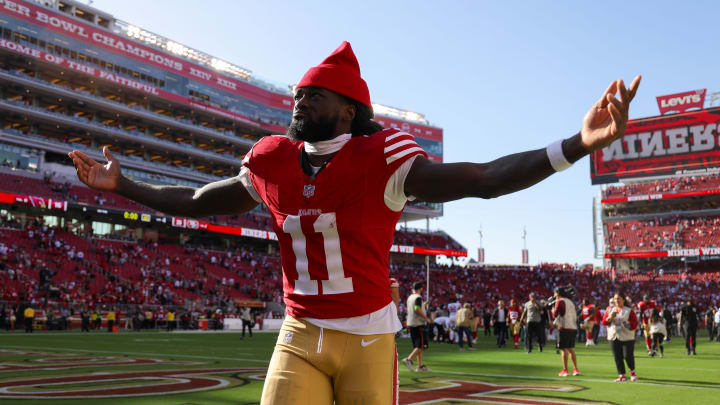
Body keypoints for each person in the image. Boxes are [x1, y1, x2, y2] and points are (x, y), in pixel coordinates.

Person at [67, 40, 640, 404]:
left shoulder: (382, 159)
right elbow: (198, 201)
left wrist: (578, 144)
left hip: (367, 337)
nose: (298, 102)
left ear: (348, 109)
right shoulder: (271, 161)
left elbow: (483, 178)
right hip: (298, 335)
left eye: (312, 95)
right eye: (296, 94)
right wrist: (123, 186)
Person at [602, 292, 639, 382]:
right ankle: (621, 375)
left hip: (627, 336)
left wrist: (625, 324)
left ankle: (632, 372)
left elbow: (634, 325)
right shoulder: (610, 310)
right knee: (617, 356)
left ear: (623, 300)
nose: (617, 300)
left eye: (618, 298)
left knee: (627, 355)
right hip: (613, 336)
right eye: (615, 299)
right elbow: (604, 322)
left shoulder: (629, 310)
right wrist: (610, 318)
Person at [403, 282, 432, 372]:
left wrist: (424, 305)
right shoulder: (418, 297)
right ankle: (409, 359)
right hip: (418, 323)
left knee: (419, 346)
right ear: (421, 289)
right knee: (421, 345)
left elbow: (416, 306)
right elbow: (417, 309)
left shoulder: (410, 297)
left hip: (411, 323)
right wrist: (426, 318)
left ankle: (420, 366)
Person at [552, 287, 580, 377]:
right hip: (573, 327)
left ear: (557, 293)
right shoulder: (570, 302)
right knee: (571, 349)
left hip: (564, 327)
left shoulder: (559, 301)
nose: (554, 295)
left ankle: (565, 370)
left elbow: (555, 314)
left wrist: (552, 308)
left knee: (563, 349)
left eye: (555, 293)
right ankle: (575, 369)